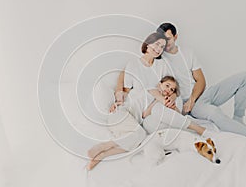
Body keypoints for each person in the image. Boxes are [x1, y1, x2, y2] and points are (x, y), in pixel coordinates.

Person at [87, 33, 207, 170]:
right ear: (148, 44)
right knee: (139, 136)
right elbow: (125, 91)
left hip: (139, 119)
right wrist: (117, 100)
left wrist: (169, 99)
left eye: (162, 47)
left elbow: (172, 86)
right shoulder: (133, 65)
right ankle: (103, 146)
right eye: (157, 44)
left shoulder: (162, 65)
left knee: (138, 140)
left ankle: (102, 155)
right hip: (124, 113)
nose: (158, 49)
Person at [156, 22, 246, 137]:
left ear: (175, 37)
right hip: (193, 105)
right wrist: (187, 103)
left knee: (245, 77)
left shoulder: (188, 53)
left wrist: (192, 99)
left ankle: (238, 118)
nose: (165, 43)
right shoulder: (160, 59)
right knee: (214, 112)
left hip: (203, 94)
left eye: (168, 39)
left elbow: (201, 81)